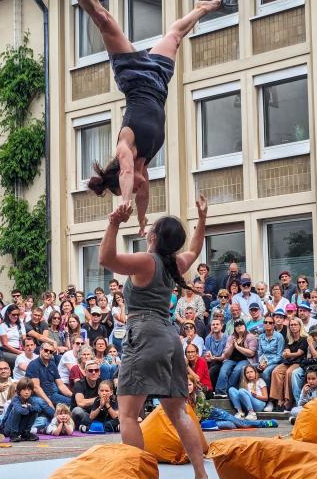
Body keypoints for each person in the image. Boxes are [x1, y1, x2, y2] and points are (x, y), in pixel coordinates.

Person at [70, 0, 222, 235]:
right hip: (159, 81)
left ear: (120, 177)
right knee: (175, 35)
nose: (141, 187)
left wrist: (123, 201)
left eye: (134, 187)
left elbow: (128, 177)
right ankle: (200, 9)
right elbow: (143, 197)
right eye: (139, 188)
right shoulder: (147, 165)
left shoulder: (125, 149)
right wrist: (141, 219)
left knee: (102, 17)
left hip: (134, 75)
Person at [98, 195, 209, 478]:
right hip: (170, 336)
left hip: (144, 334)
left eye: (152, 228)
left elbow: (106, 258)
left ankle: (141, 476)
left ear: (155, 236)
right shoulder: (174, 263)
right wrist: (202, 219)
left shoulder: (147, 261)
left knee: (127, 415)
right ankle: (201, 473)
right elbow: (195, 250)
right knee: (179, 412)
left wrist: (113, 223)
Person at [269, 318, 308, 412]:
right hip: (288, 361)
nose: (293, 327)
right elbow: (286, 351)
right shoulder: (288, 338)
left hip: (300, 362)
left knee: (289, 372)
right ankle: (279, 399)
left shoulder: (304, 338)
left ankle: (288, 400)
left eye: (295, 325)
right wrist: (288, 354)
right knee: (276, 371)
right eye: (291, 325)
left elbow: (299, 353)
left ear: (300, 326)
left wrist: (289, 354)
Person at [26, 342, 73, 419]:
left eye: (51, 351)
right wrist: (49, 402)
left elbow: (61, 385)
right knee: (44, 404)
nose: (48, 353)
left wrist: (73, 396)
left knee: (71, 402)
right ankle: (57, 420)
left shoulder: (52, 364)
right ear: (41, 350)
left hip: (52, 394)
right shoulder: (33, 365)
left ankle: (66, 422)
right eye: (46, 350)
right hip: (36, 396)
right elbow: (36, 388)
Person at [215, 319, 257, 396]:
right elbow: (225, 355)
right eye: (237, 326)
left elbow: (251, 353)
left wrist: (237, 347)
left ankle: (228, 390)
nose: (239, 327)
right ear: (234, 328)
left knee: (237, 370)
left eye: (241, 324)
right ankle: (219, 392)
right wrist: (232, 346)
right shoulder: (231, 337)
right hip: (231, 359)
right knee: (224, 370)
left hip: (245, 359)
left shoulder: (250, 336)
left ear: (245, 326)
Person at [1, 377, 40, 442]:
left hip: (21, 427)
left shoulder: (31, 400)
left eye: (29, 390)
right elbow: (19, 411)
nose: (27, 392)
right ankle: (14, 435)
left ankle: (26, 433)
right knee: (17, 410)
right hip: (8, 428)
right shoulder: (16, 399)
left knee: (34, 411)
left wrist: (28, 407)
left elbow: (38, 409)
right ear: (19, 390)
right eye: (24, 390)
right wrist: (28, 408)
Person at [71, 359, 101, 429]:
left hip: (95, 412)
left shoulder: (101, 383)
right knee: (77, 411)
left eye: (96, 370)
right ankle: (97, 425)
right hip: (82, 413)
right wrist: (99, 399)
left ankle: (91, 425)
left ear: (99, 372)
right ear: (85, 372)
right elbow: (80, 403)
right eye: (90, 370)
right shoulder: (79, 384)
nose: (94, 372)